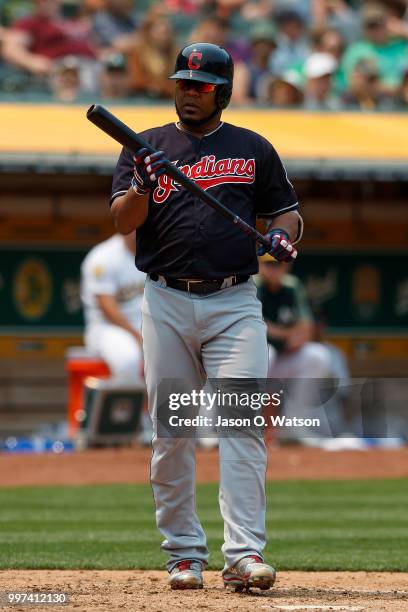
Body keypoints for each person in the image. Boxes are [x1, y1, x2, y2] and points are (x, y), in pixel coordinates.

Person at [109, 42, 302, 592]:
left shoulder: (252, 147)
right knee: (173, 432)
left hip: (234, 302)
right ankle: (184, 554)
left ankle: (243, 554)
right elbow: (123, 221)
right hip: (165, 299)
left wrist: (284, 239)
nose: (188, 93)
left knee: (242, 427)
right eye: (182, 83)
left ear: (223, 91)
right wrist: (144, 183)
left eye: (199, 85)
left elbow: (284, 212)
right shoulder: (144, 146)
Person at [257, 255, 334, 441]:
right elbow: (257, 326)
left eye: (278, 264)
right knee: (267, 353)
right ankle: (245, 427)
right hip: (259, 361)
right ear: (259, 265)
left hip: (284, 358)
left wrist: (284, 334)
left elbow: (306, 328)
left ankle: (294, 426)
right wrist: (288, 334)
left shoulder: (292, 286)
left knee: (317, 356)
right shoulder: (252, 285)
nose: (274, 269)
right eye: (269, 264)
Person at [80, 231, 145, 382]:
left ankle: (161, 406)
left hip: (146, 328)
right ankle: (126, 405)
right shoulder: (103, 256)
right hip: (109, 329)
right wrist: (138, 336)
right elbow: (107, 308)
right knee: (127, 360)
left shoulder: (158, 254)